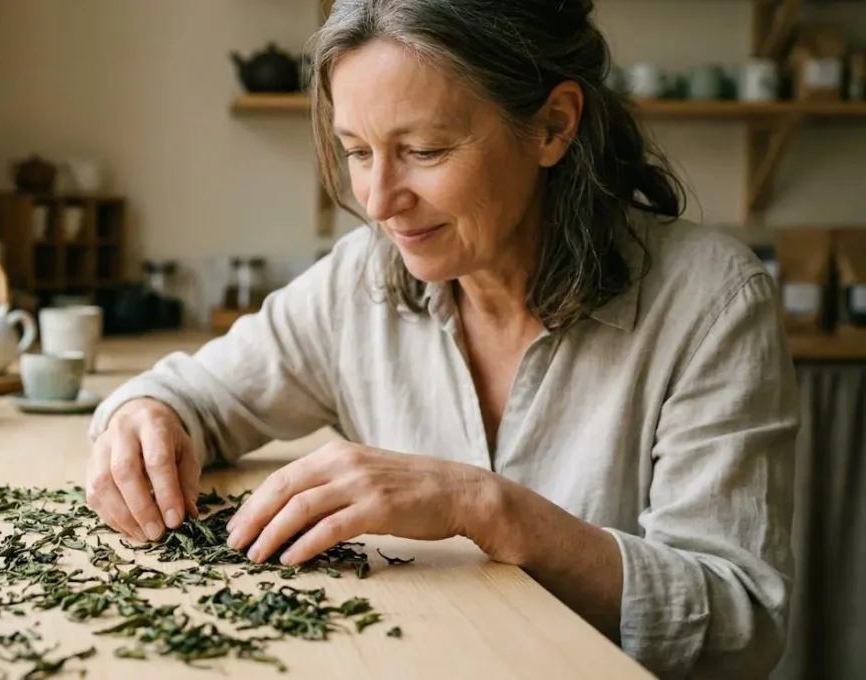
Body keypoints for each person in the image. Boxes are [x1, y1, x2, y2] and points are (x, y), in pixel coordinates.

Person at [85, 0, 798, 677]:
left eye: (424, 150)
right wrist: (144, 418)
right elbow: (192, 396)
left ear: (552, 126)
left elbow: (741, 626)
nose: (378, 201)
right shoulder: (361, 278)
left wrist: (481, 505)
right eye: (357, 151)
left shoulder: (711, 300)